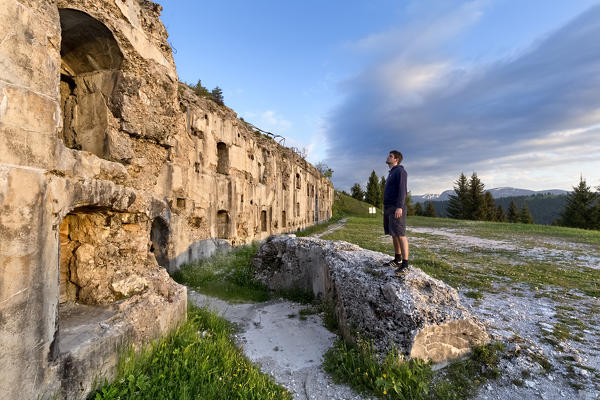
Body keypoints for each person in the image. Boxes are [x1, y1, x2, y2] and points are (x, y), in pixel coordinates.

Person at [383, 150, 409, 272]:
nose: (388, 157)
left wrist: (399, 207)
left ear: (396, 160)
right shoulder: (391, 172)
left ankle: (405, 264)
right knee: (393, 234)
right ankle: (397, 259)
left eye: (390, 156)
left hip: (396, 207)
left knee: (400, 234)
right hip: (388, 207)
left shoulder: (400, 171)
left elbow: (402, 190)